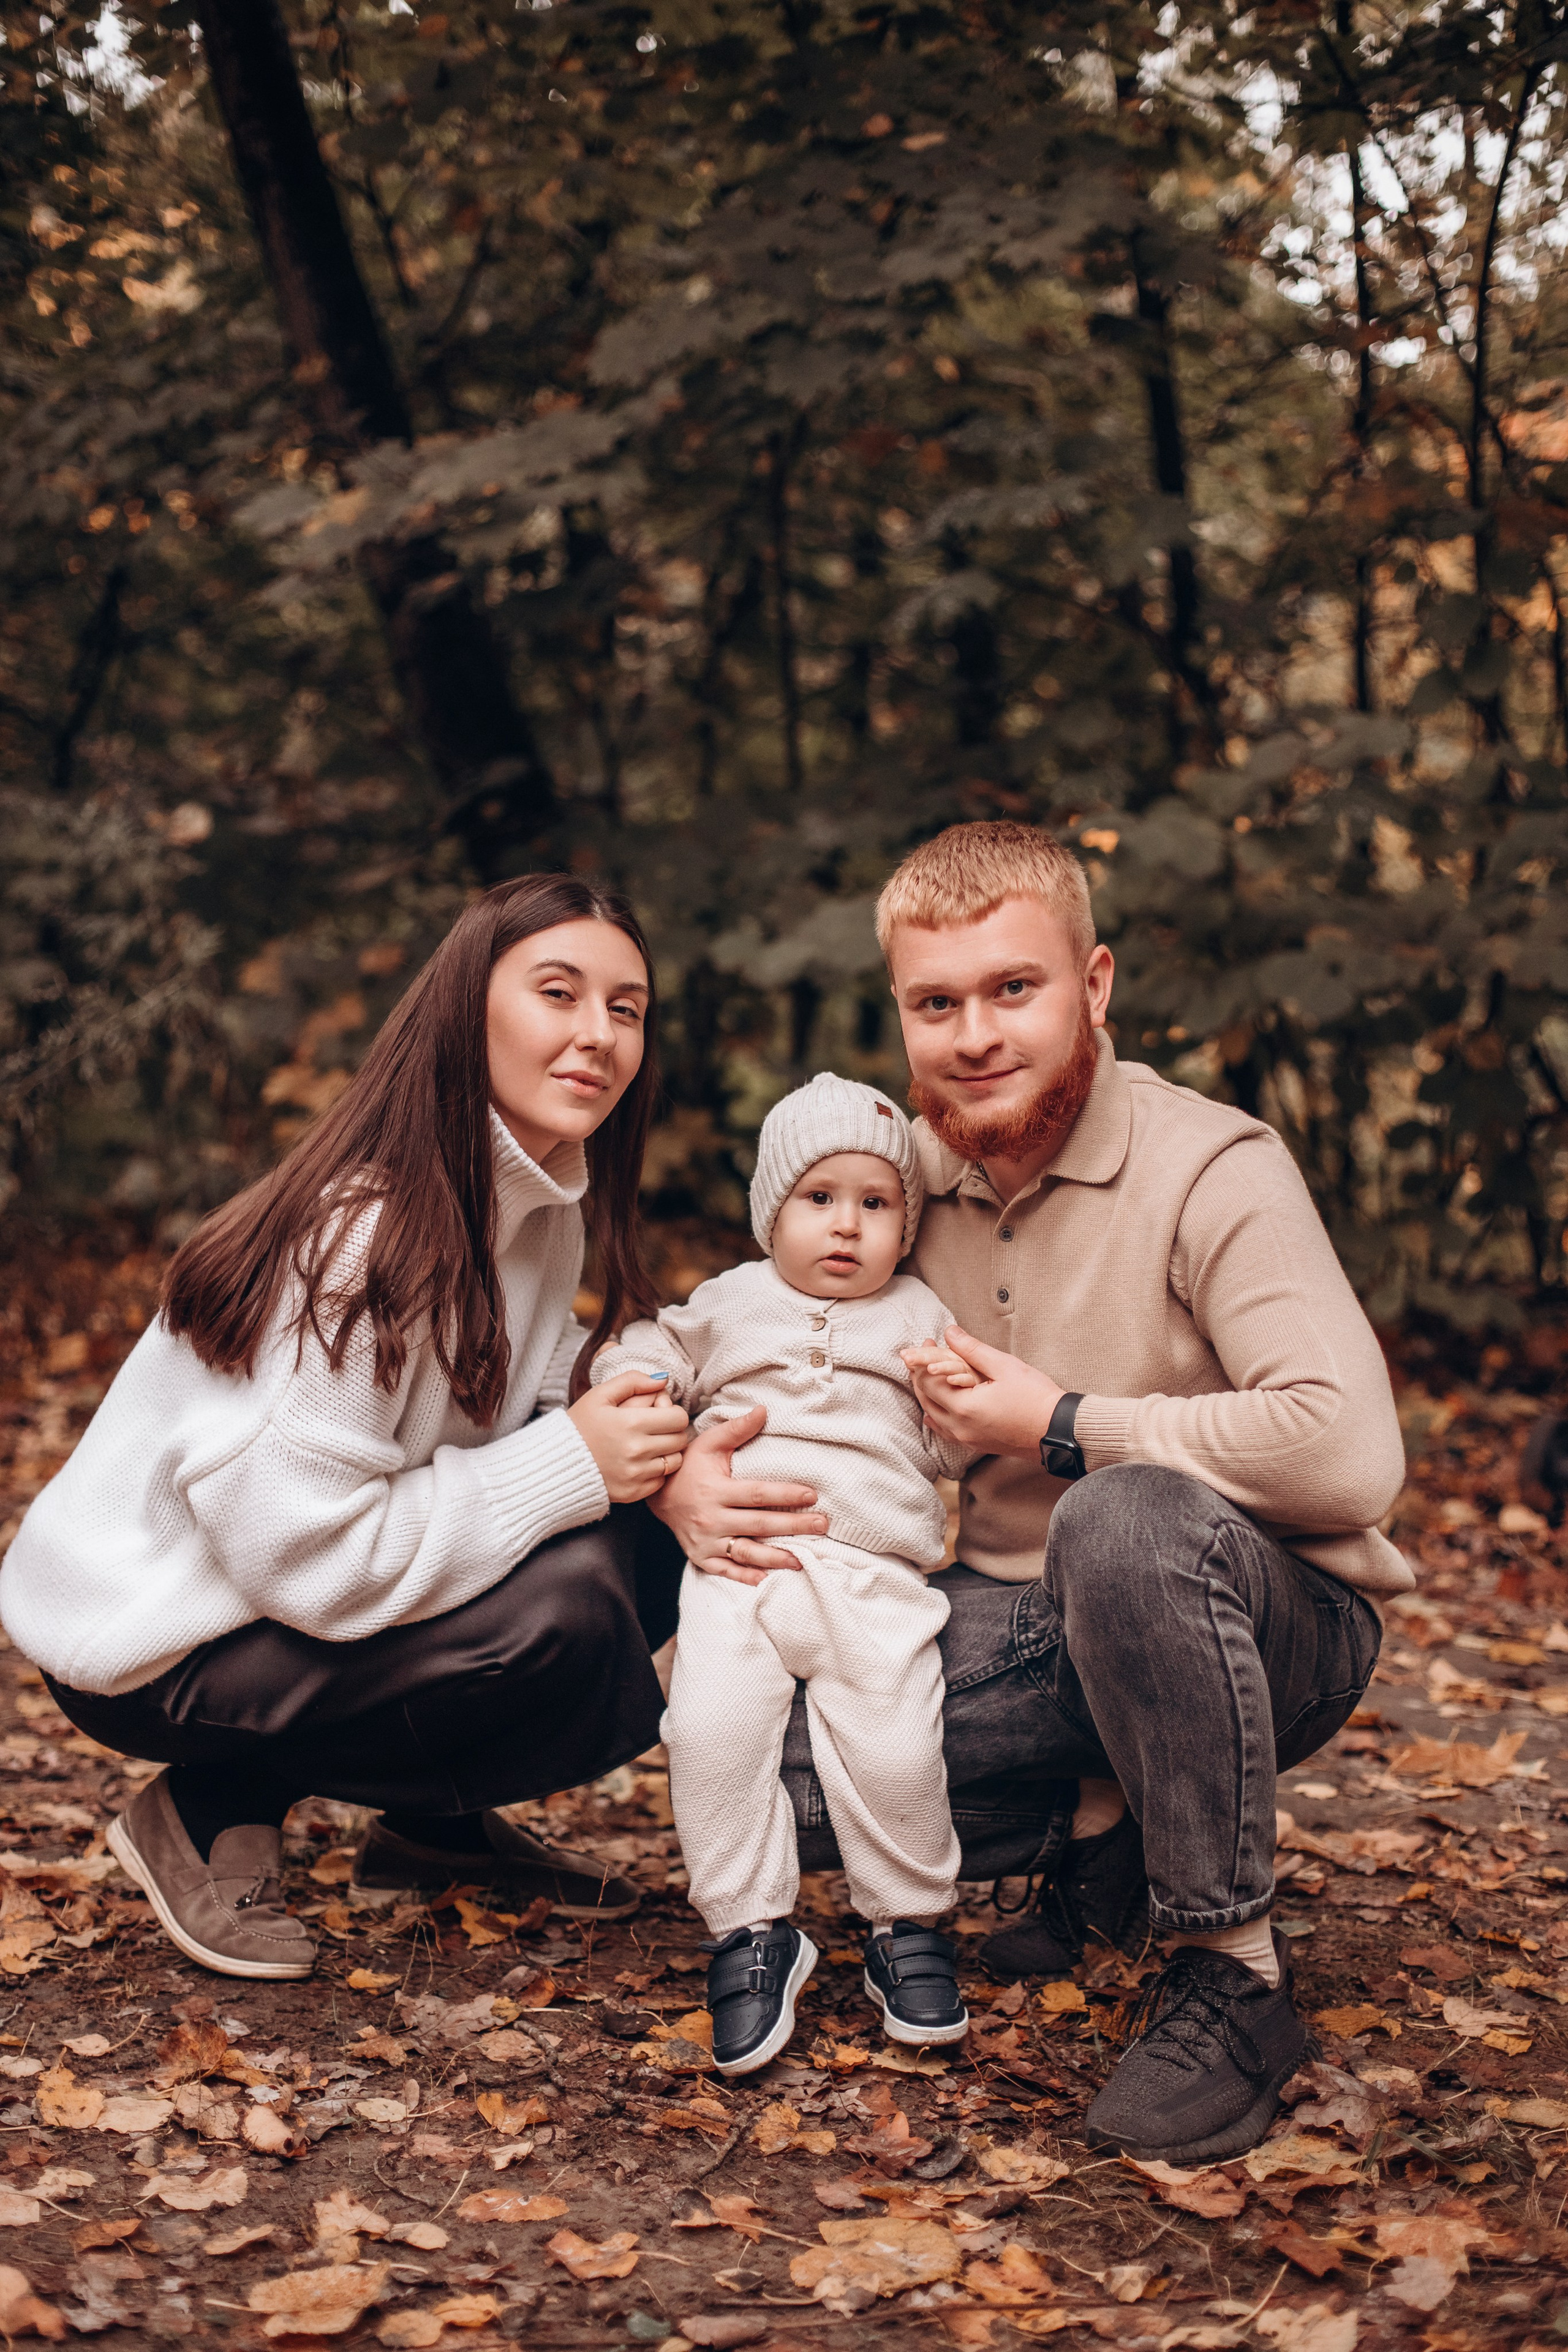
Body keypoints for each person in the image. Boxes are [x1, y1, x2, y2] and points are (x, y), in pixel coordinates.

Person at [650, 820, 1406, 2166]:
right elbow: (740, 1336)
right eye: (936, 1004)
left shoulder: (1212, 1167)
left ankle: (1228, 1969)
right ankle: (1108, 1828)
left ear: (1094, 987)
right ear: (901, 1018)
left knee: (1114, 1513)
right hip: (1018, 1623)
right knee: (753, 1758)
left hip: (1259, 1618)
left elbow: (1349, 1451)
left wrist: (1059, 1424)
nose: (975, 1035)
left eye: (1014, 989)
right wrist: (680, 1490)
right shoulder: (892, 1187)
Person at [0, 875, 693, 1980]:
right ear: (469, 1010)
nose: (598, 1036)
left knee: (649, 1537)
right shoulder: (367, 1236)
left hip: (269, 1594)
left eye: (627, 1007)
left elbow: (528, 1366)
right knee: (563, 1607)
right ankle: (205, 1800)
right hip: (153, 1636)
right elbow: (303, 1556)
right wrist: (574, 1462)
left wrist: (650, 1400)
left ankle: (434, 1829)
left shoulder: (527, 1199)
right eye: (558, 993)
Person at [594, 1074, 973, 2071]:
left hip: (872, 1580)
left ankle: (909, 1928)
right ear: (774, 1212)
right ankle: (752, 1930)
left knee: (896, 1753)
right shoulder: (730, 1302)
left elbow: (955, 1453)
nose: (847, 1226)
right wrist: (642, 1390)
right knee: (711, 1735)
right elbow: (648, 1347)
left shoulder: (920, 1316)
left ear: (904, 1223)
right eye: (820, 1199)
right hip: (740, 1572)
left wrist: (950, 1408)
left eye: (876, 1203)